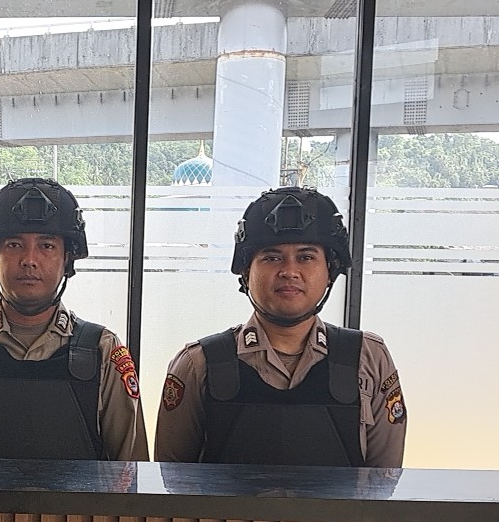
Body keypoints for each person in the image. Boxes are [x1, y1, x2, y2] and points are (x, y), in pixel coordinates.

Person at [154, 186, 406, 467]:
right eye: (271, 258)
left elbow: (384, 482)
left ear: (330, 270)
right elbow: (173, 482)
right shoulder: (198, 364)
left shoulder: (367, 358)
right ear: (246, 272)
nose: (289, 271)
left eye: (306, 257)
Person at [0, 177, 148, 461]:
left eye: (47, 246)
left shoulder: (103, 352)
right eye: (14, 244)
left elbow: (132, 473)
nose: (29, 260)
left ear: (67, 260)